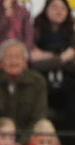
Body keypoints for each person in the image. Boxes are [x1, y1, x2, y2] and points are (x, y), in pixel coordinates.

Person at [0, 39, 48, 138]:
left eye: (18, 57)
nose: (13, 62)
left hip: (30, 139)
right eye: (9, 57)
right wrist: (5, 140)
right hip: (0, 139)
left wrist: (22, 143)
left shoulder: (38, 82)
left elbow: (38, 118)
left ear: (25, 62)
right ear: (1, 62)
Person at [30, 0, 75, 132]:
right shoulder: (35, 32)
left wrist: (46, 57)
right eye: (55, 6)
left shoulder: (72, 34)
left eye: (63, 8)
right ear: (46, 9)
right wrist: (62, 57)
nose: (59, 11)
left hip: (68, 87)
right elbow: (33, 63)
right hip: (42, 86)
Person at [0, 0, 33, 73]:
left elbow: (28, 36)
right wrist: (6, 14)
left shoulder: (22, 10)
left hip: (19, 59)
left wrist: (26, 56)